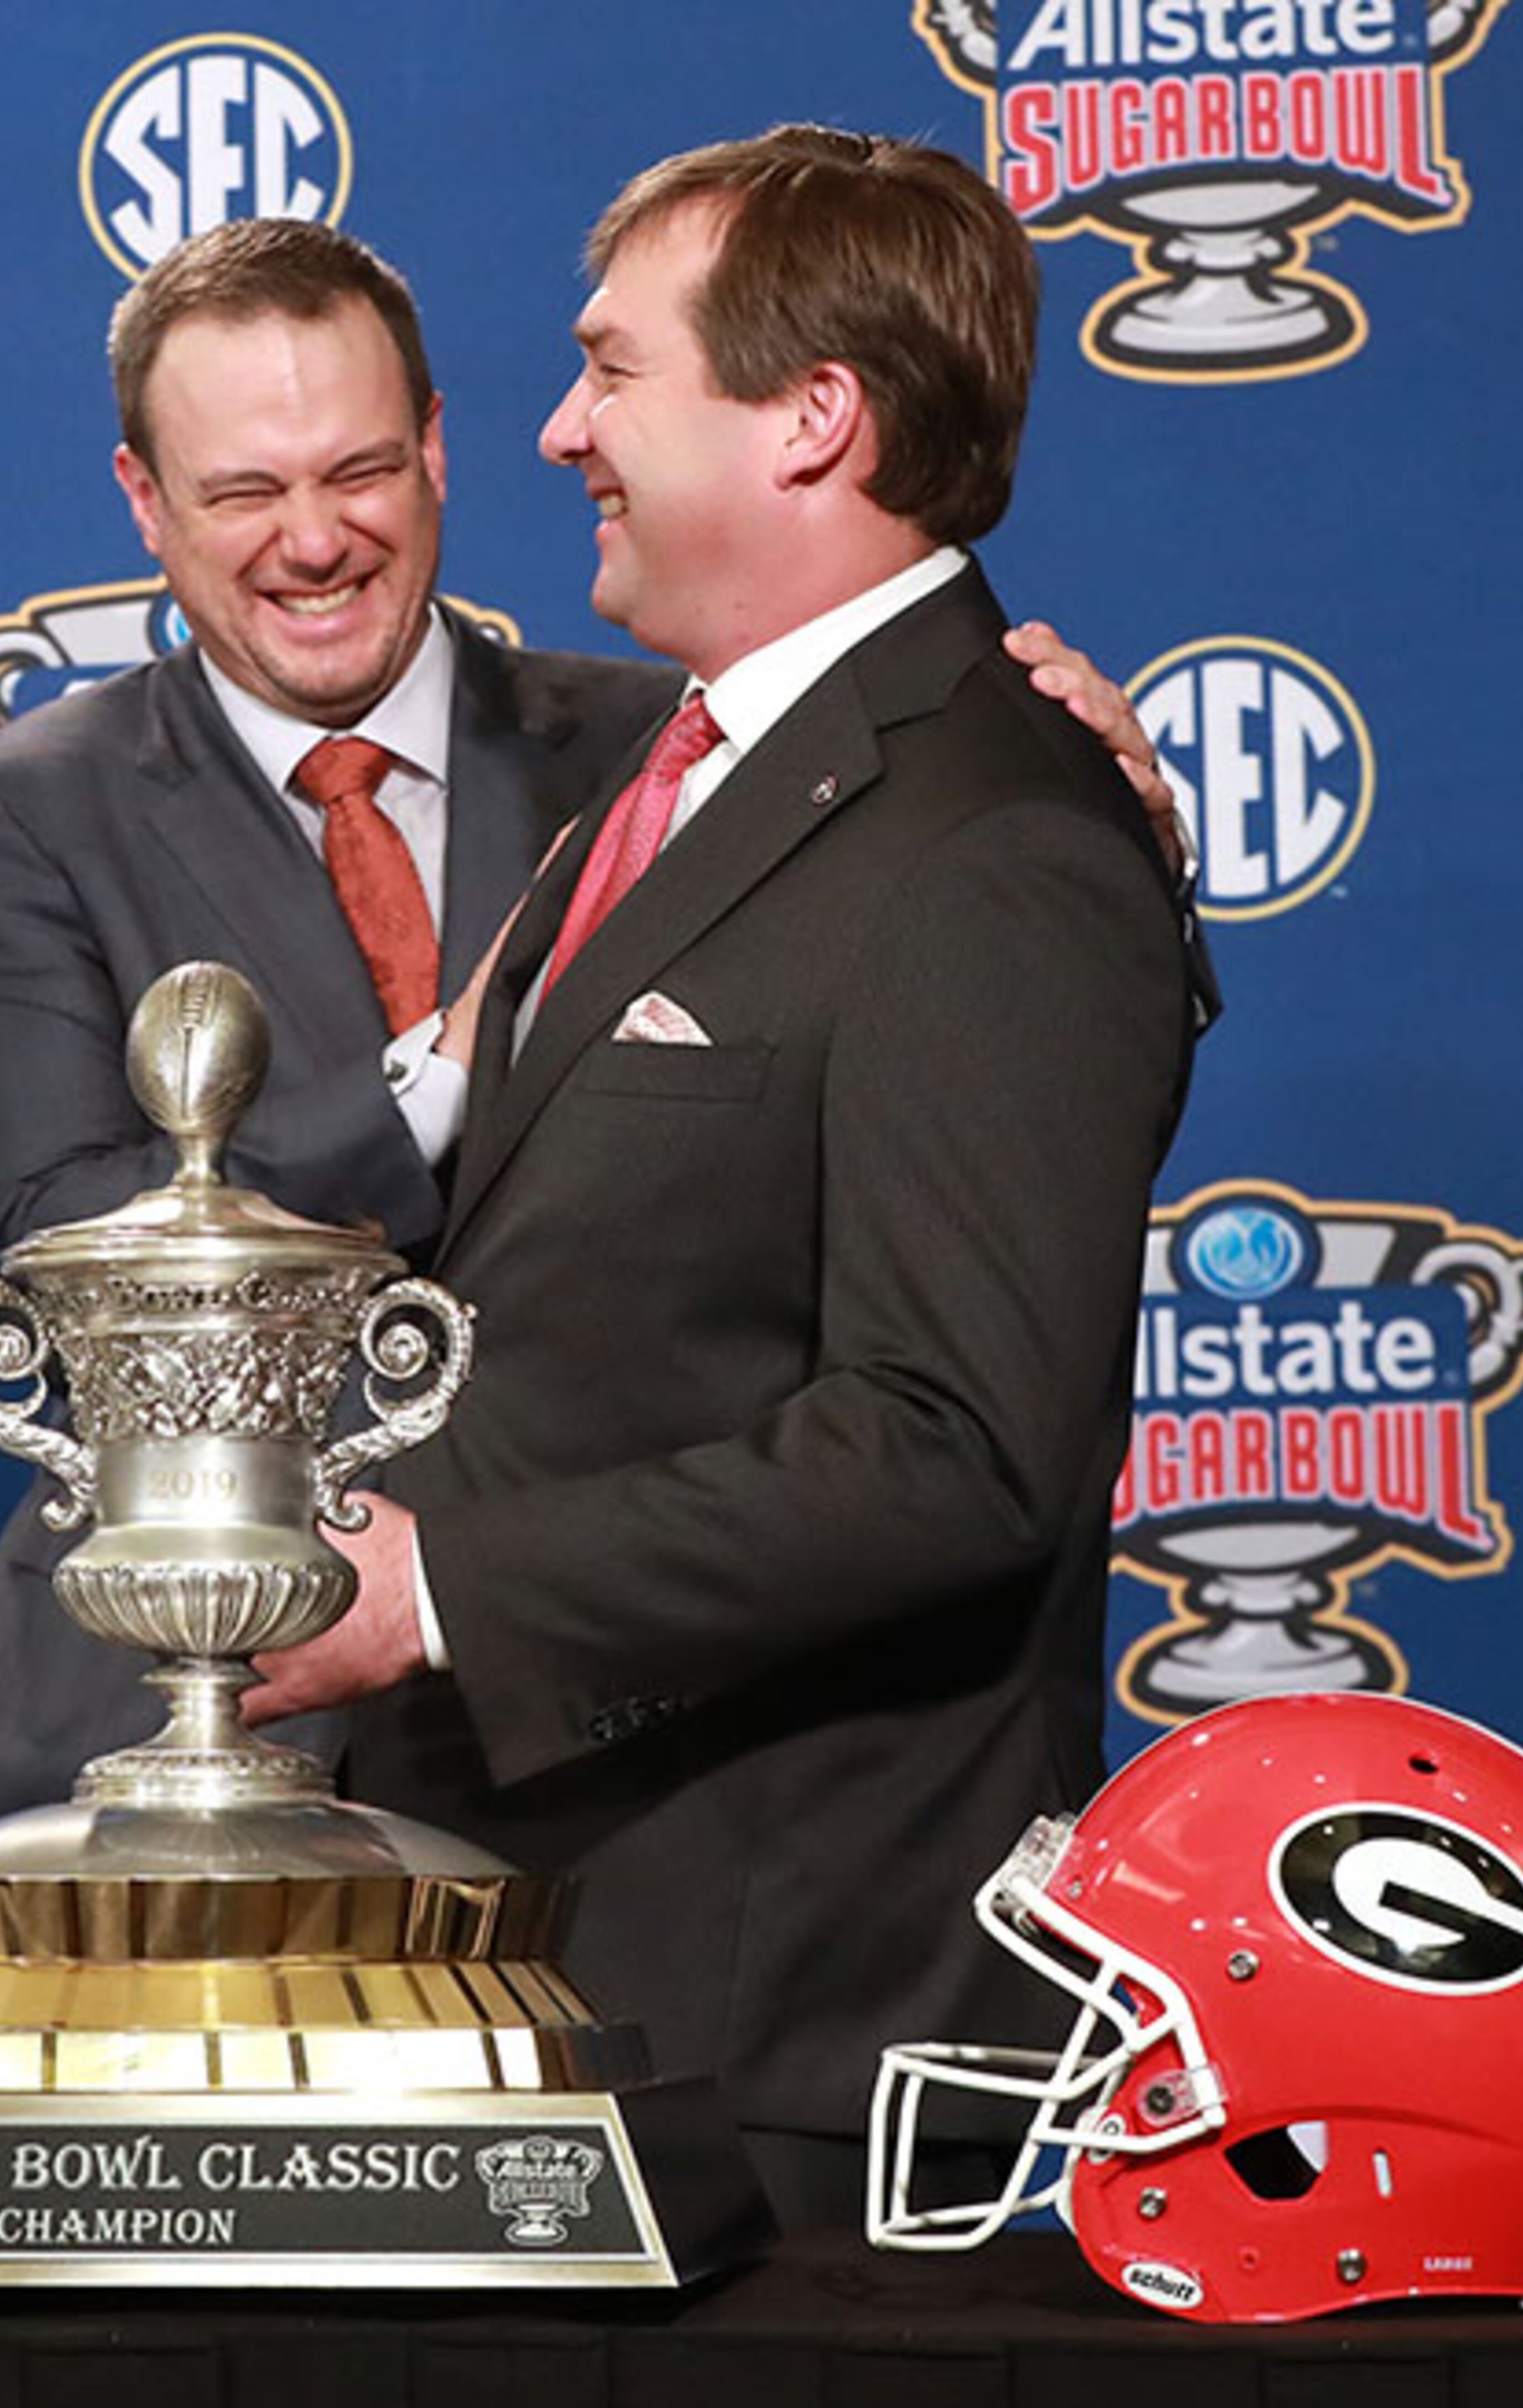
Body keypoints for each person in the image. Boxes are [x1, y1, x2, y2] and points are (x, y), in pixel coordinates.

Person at [0, 213, 1181, 1859]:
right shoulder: (20, 817)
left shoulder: (700, 749)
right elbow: (63, 1259)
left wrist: (1125, 844)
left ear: (434, 450)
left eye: (357, 471)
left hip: (613, 1739)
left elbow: (971, 1135)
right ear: (145, 503)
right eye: (241, 493)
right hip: (168, 1705)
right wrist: (450, 1060)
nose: (311, 542)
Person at [238, 128, 1203, 2233]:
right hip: (548, 1990)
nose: (563, 428)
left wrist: (438, 1595)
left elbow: (956, 1447)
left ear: (812, 417)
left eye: (615, 371)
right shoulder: (673, 791)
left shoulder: (1001, 843)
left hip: (778, 2052)